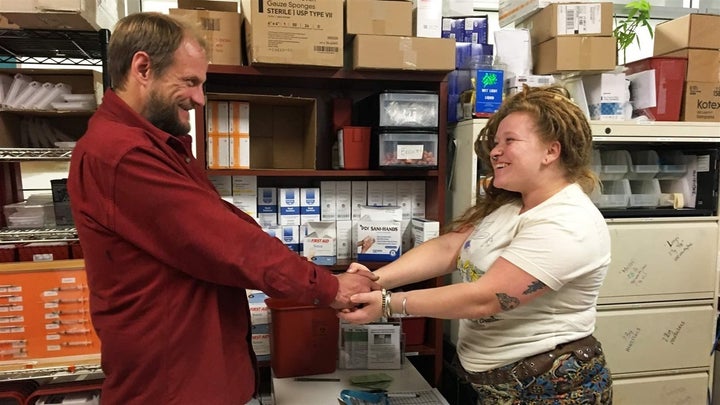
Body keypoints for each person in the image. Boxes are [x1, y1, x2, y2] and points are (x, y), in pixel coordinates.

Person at [67, 12, 378, 405]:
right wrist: (329, 287)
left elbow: (226, 223)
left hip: (199, 374)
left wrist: (313, 275)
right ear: (142, 68)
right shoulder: (123, 155)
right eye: (190, 82)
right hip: (173, 386)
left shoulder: (156, 145)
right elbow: (228, 245)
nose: (199, 99)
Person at [340, 85, 613, 404]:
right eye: (496, 142)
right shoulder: (512, 206)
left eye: (509, 141)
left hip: (550, 392)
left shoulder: (568, 221)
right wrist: (374, 281)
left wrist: (388, 304)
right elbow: (449, 249)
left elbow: (487, 298)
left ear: (551, 151)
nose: (495, 151)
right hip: (492, 384)